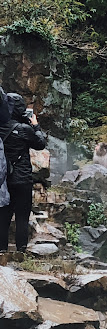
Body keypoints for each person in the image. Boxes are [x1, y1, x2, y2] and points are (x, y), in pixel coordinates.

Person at [0, 92, 47, 252]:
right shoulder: (24, 129)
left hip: (4, 179)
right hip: (22, 179)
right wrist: (35, 126)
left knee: (3, 217)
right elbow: (40, 144)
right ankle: (21, 251)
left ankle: (2, 252)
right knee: (22, 217)